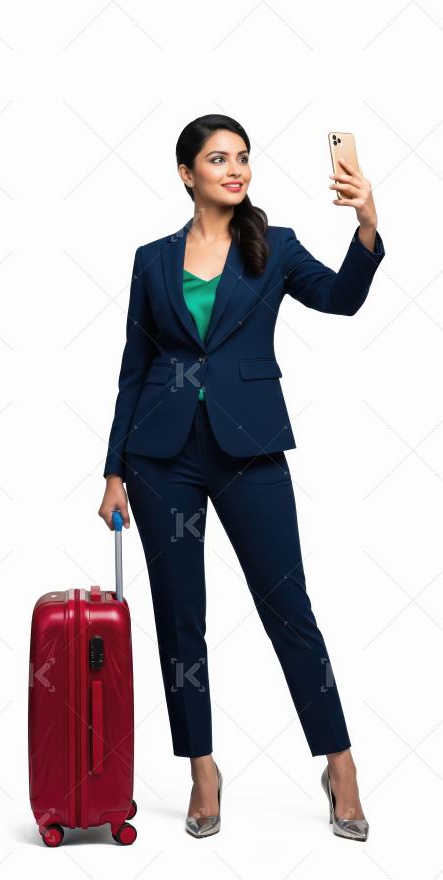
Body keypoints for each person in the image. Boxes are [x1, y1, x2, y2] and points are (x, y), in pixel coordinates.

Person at [98, 114, 385, 840]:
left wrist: (367, 225)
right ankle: (202, 768)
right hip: (161, 458)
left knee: (289, 608)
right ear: (186, 173)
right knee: (180, 619)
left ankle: (340, 764)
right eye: (219, 158)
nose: (237, 169)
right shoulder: (152, 260)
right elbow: (134, 369)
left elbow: (342, 300)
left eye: (244, 158)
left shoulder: (275, 249)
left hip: (250, 449)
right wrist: (112, 471)